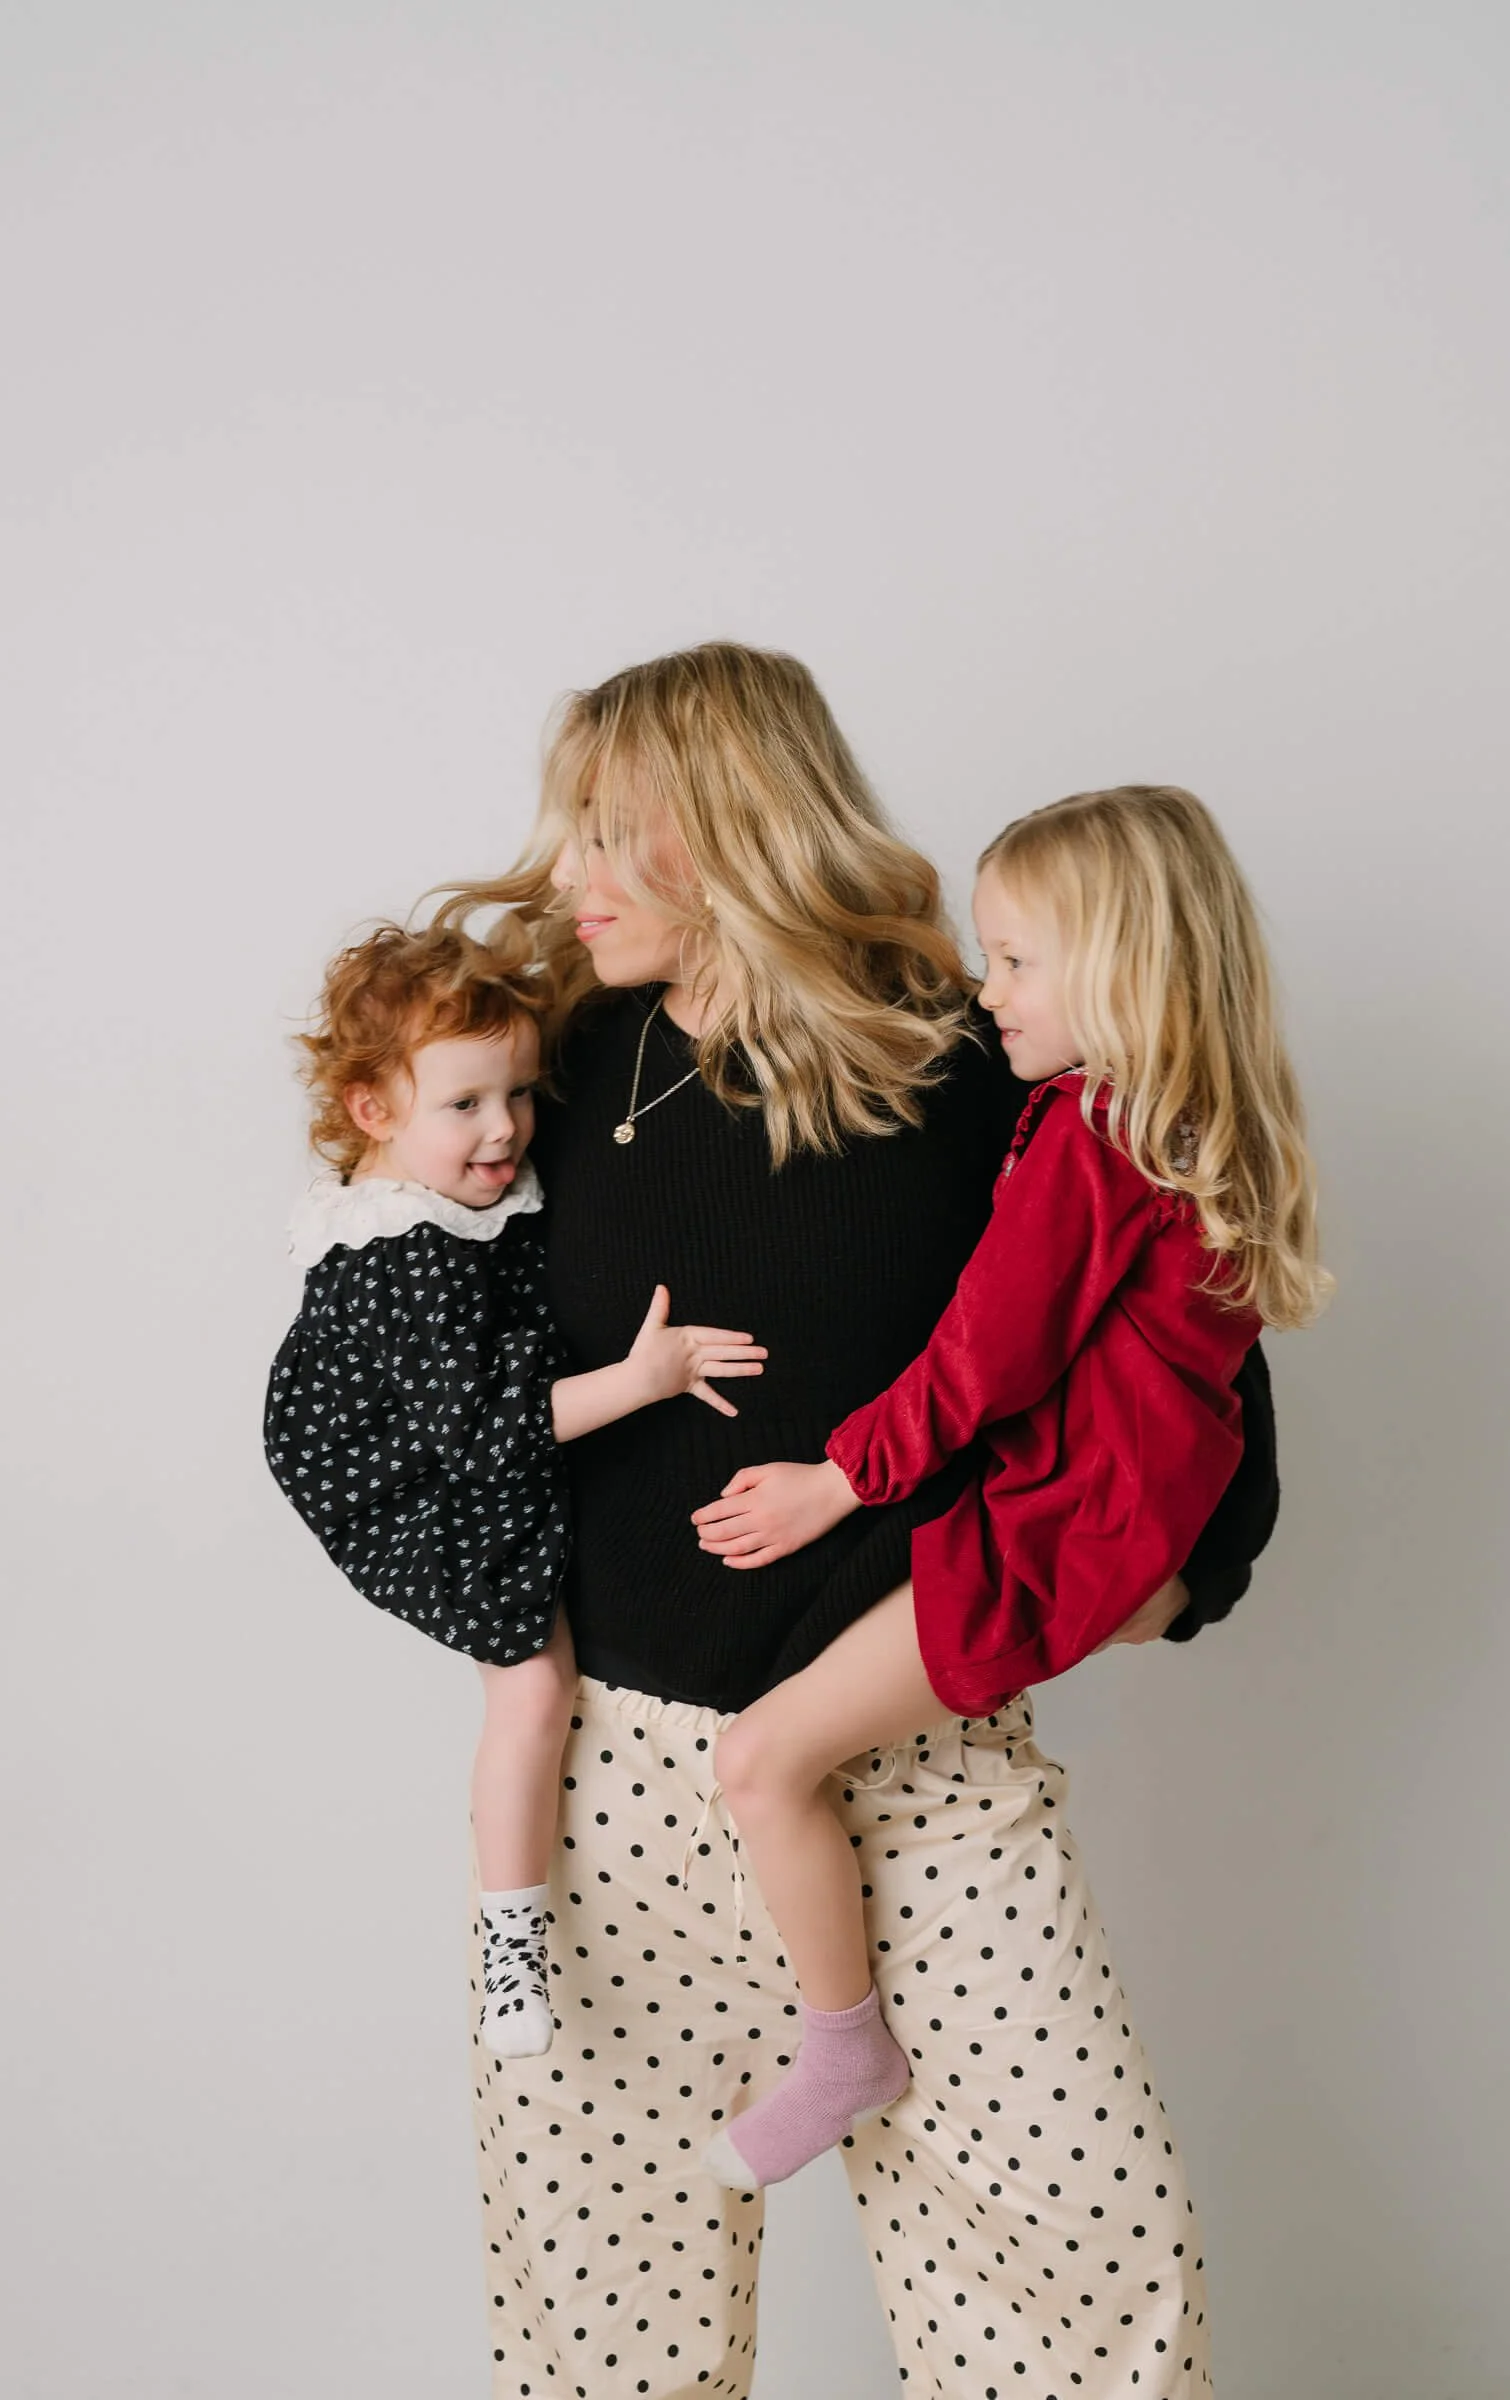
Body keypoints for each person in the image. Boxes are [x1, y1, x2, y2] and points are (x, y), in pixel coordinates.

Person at [439, 641, 1279, 2398]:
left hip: (921, 1774)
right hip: (617, 1786)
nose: (570, 878)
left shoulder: (978, 1068)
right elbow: (415, 1362)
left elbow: (1207, 1400)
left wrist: (1098, 1595)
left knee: (1082, 2299)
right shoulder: (557, 1079)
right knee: (607, 2348)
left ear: (733, 826)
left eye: (612, 833)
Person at [689, 785, 1329, 2189]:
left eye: (1020, 962)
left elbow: (984, 1357)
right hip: (1107, 1530)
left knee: (759, 1758)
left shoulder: (1096, 1138)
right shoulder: (1191, 1130)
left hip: (1053, 1539)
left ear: (1126, 968)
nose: (991, 996)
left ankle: (846, 2044)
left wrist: (829, 1484)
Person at [263, 922, 765, 2056]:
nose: (505, 1130)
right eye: (466, 1107)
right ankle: (508, 1944)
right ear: (372, 1114)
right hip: (401, 1483)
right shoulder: (404, 1253)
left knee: (542, 1670)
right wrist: (647, 1378)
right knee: (533, 1686)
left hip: (453, 1445)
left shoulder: (466, 1188)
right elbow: (488, 1428)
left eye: (519, 1096)